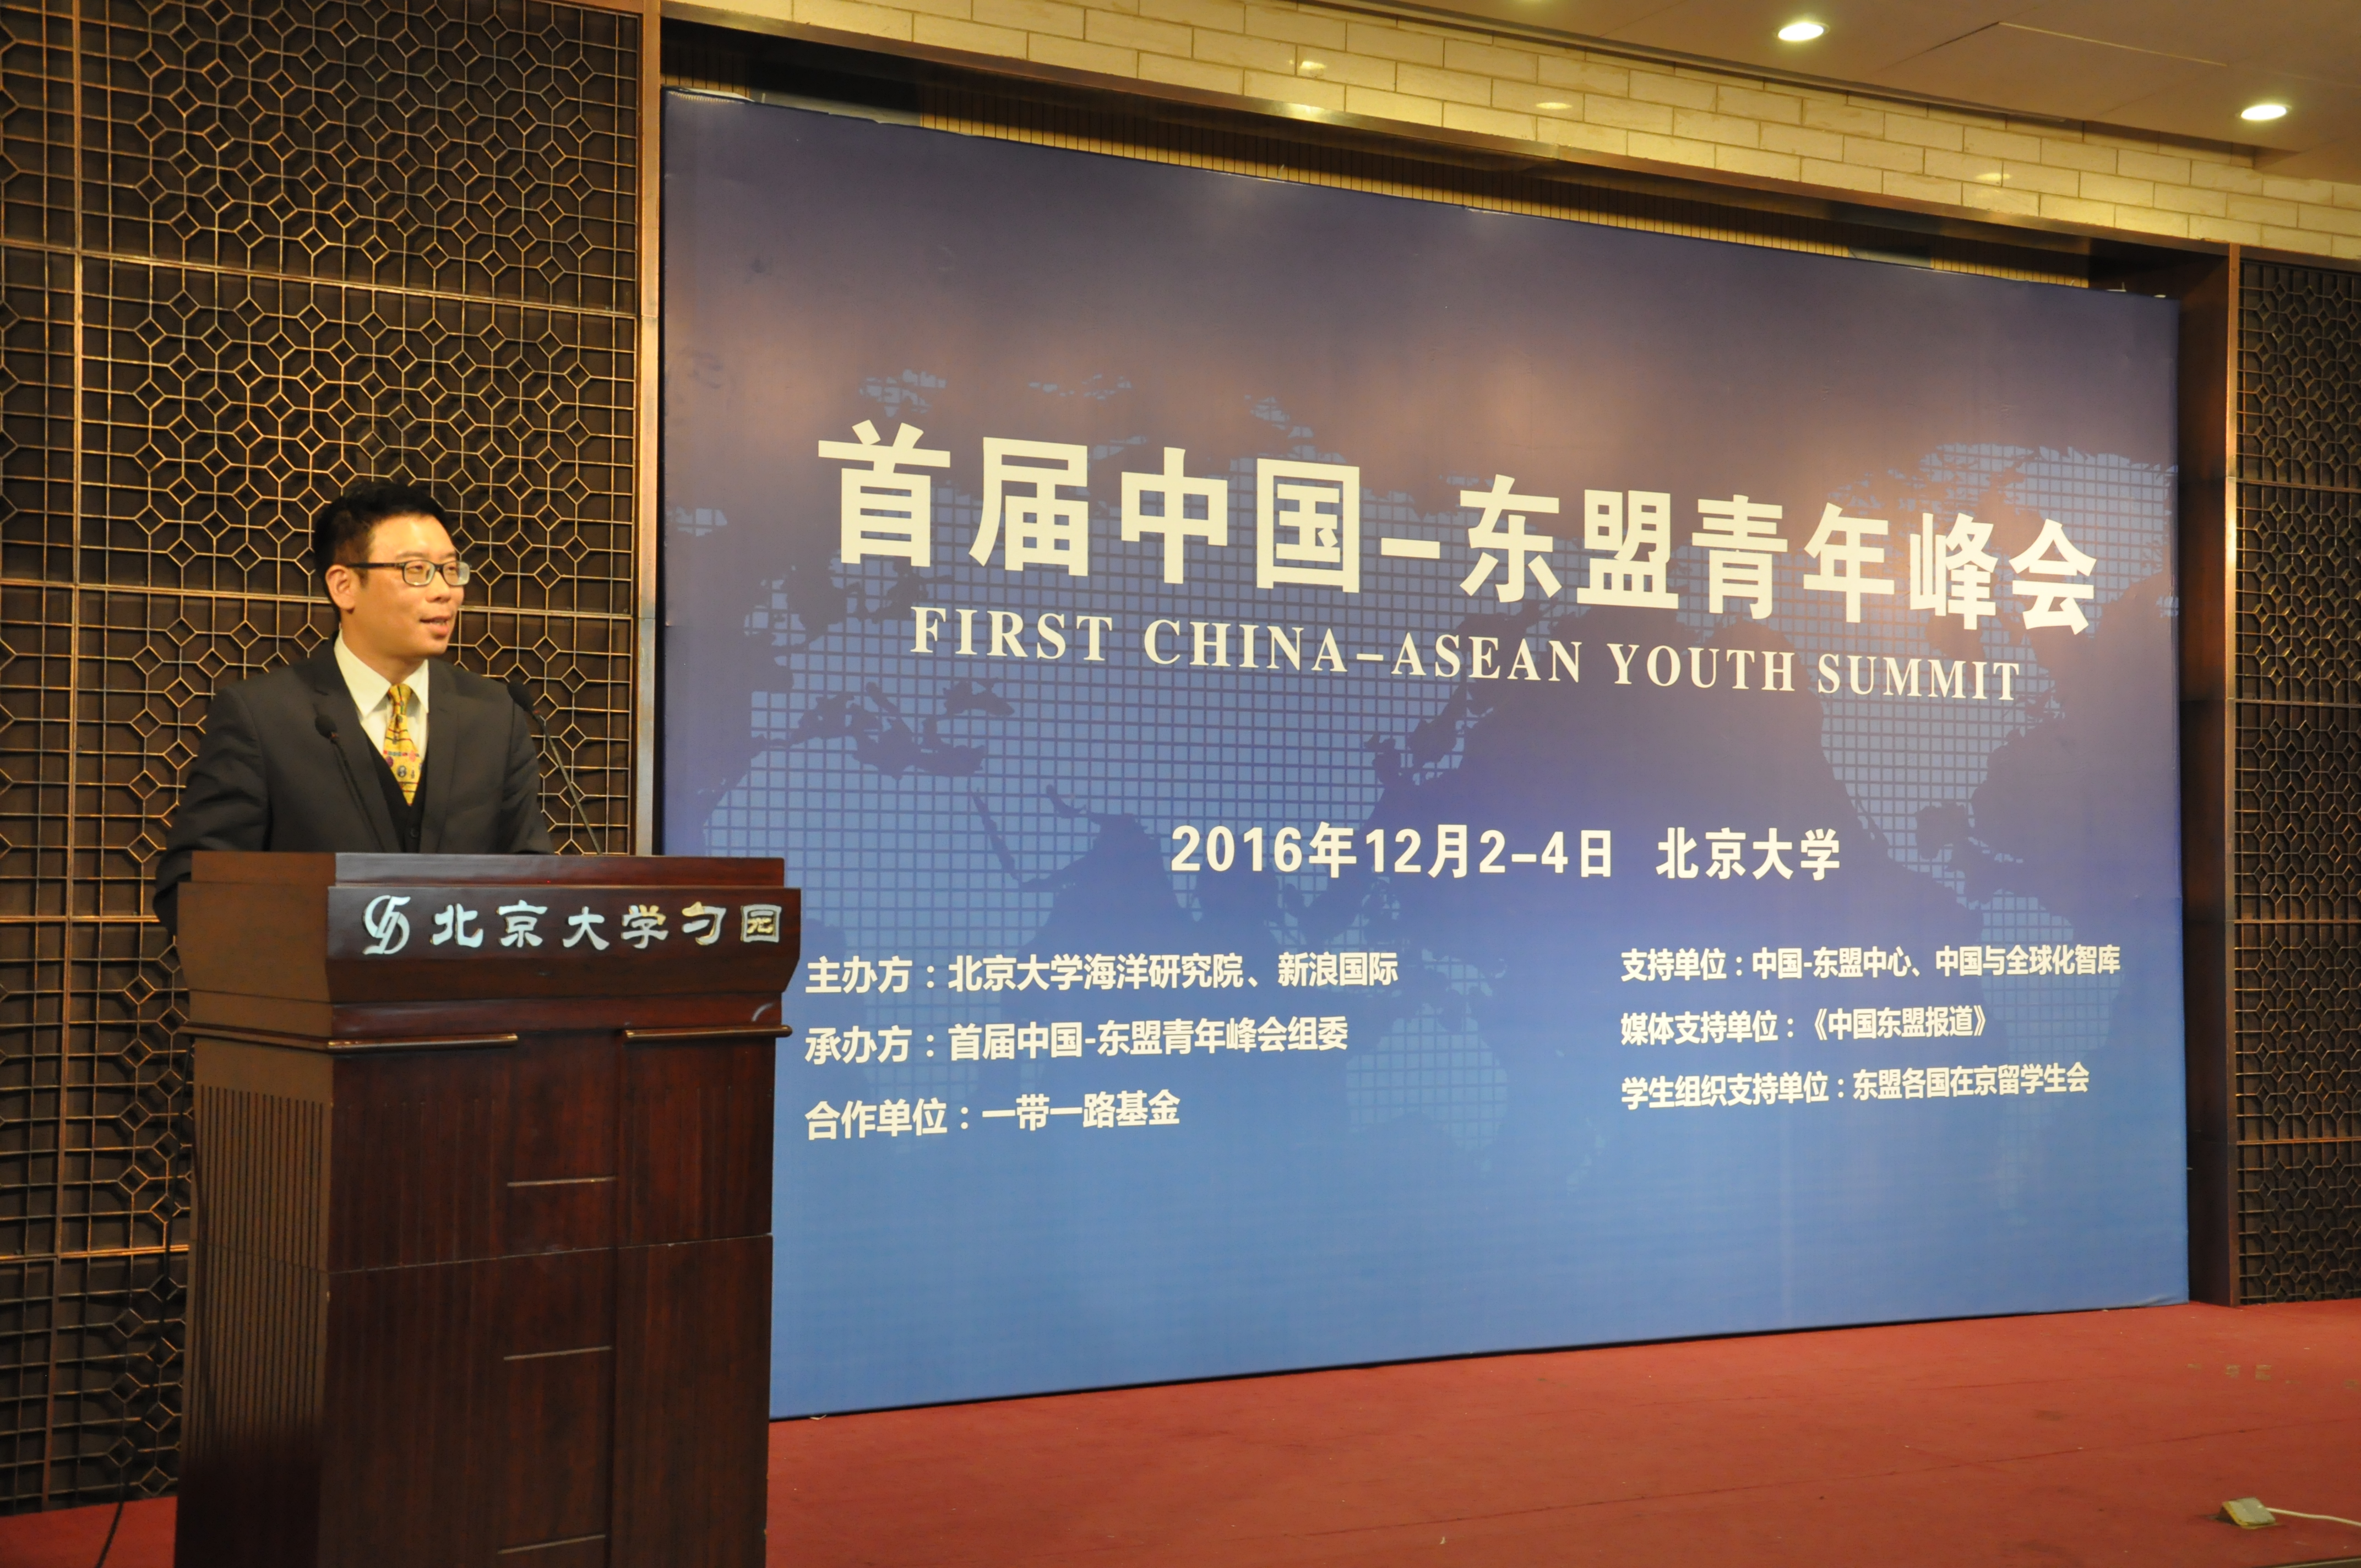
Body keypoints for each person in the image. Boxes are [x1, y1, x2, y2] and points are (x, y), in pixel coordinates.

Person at [151, 482, 552, 933]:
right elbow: (191, 887)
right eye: (418, 571)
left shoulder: (495, 715)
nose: (446, 592)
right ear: (344, 586)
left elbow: (532, 876)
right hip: (311, 973)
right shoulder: (262, 717)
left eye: (451, 570)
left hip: (461, 975)